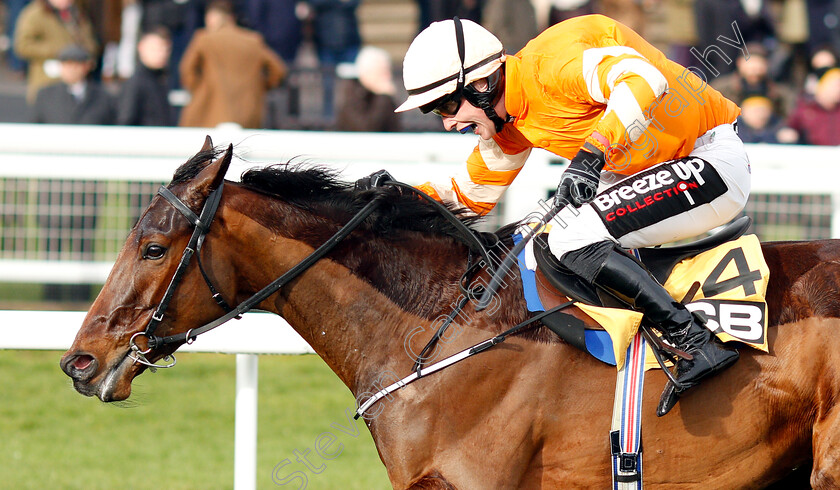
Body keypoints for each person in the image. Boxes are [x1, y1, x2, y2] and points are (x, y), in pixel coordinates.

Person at [386, 16, 749, 416]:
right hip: (665, 172)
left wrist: (592, 153)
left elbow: (645, 80)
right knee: (539, 242)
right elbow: (469, 196)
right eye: (436, 111)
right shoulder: (510, 123)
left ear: (483, 84)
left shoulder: (554, 65)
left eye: (448, 105)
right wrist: (390, 200)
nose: (448, 122)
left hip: (709, 160)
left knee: (569, 239)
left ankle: (695, 342)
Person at [178, 0, 286, 128]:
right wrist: (260, 87)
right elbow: (279, 70)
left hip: (210, 111)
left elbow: (186, 69)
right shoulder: (253, 40)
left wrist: (198, 88)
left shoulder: (204, 39)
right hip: (248, 114)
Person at [13, 0, 99, 102]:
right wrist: (59, 50)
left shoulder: (77, 12)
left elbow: (91, 42)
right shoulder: (35, 13)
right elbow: (22, 46)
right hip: (47, 81)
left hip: (78, 82)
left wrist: (82, 52)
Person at [30, 44, 115, 124]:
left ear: (86, 67)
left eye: (76, 65)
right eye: (66, 65)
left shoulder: (103, 97)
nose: (71, 70)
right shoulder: (46, 95)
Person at [116, 27, 175, 126]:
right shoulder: (135, 83)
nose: (162, 54)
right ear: (141, 47)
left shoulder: (162, 79)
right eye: (155, 49)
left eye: (166, 49)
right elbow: (125, 121)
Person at [335, 46, 400, 132]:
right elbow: (367, 128)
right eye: (383, 72)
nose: (388, 76)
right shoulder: (353, 93)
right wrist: (383, 97)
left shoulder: (385, 96)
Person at [779, 66, 840, 145]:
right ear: (822, 85)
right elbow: (788, 129)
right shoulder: (805, 108)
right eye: (836, 85)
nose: (838, 90)